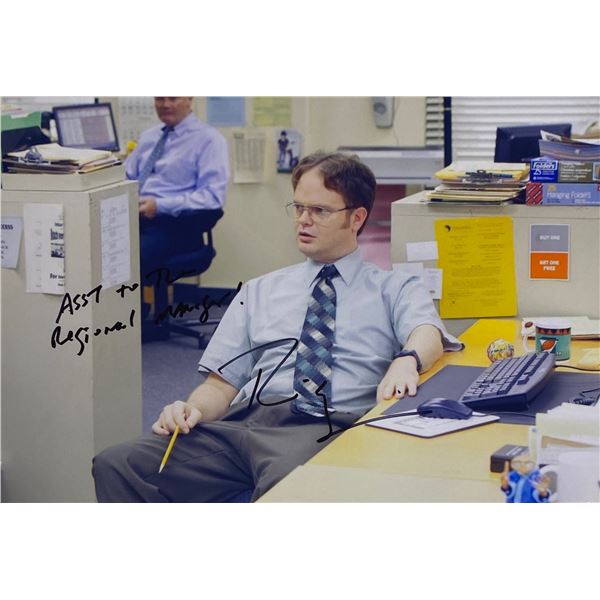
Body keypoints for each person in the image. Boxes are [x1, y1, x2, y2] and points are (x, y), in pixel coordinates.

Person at [93, 151, 463, 502]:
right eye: (299, 208)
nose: (303, 220)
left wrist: (407, 360)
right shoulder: (259, 290)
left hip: (323, 426)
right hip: (243, 425)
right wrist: (190, 409)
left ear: (356, 218)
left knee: (289, 483)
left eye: (319, 210)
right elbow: (220, 385)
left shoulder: (393, 288)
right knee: (118, 464)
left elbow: (427, 332)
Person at [125, 97, 229, 290]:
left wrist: (159, 206)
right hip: (135, 219)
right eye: (160, 98)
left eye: (173, 98)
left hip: (177, 226)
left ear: (189, 99)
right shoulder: (149, 136)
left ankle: (138, 309)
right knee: (100, 249)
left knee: (128, 258)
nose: (165, 105)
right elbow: (126, 177)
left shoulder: (209, 140)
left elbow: (212, 198)